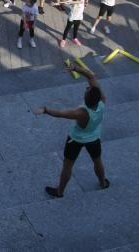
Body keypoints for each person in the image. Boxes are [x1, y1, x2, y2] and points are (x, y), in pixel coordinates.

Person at [38, 62, 109, 197]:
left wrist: (46, 110)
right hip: (94, 138)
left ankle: (60, 191)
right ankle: (103, 183)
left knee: (67, 166)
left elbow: (61, 114)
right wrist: (76, 68)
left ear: (86, 99)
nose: (87, 87)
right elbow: (91, 76)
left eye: (87, 90)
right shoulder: (102, 101)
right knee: (97, 160)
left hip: (75, 140)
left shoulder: (81, 113)